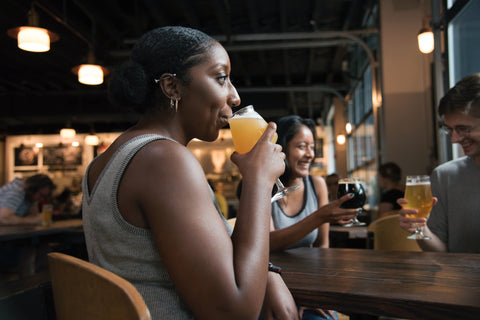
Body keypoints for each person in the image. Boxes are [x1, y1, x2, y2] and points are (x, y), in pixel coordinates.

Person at [82, 26, 299, 319]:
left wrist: (268, 271)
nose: (234, 96)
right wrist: (258, 181)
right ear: (172, 87)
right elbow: (235, 313)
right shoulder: (164, 159)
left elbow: (205, 252)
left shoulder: (106, 159)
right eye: (221, 78)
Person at [269, 115, 361, 320]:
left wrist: (316, 294)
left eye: (312, 147)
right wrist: (319, 217)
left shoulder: (317, 185)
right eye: (302, 146)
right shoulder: (265, 185)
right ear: (282, 147)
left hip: (309, 285)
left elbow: (322, 249)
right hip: (271, 287)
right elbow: (267, 243)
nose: (310, 154)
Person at [399, 73, 480, 253]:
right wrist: (419, 228)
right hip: (459, 280)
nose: (454, 139)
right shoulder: (444, 176)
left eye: (463, 129)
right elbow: (439, 252)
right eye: (449, 130)